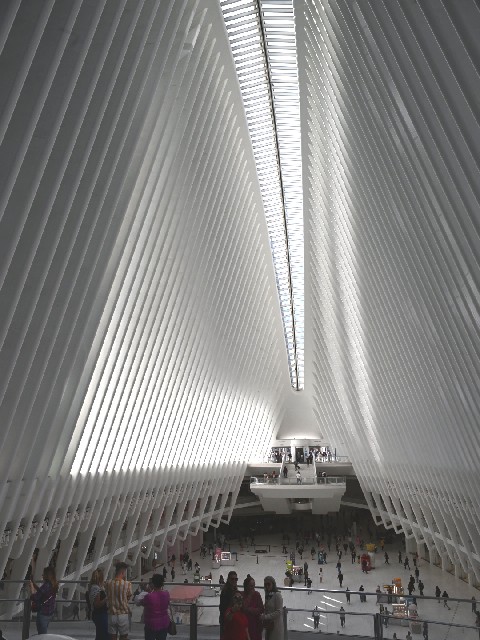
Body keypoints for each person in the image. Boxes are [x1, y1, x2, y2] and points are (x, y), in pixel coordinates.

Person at [137, 574, 170, 640]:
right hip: (164, 623)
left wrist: (145, 590)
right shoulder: (166, 594)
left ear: (153, 584)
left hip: (151, 624)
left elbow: (140, 603)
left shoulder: (148, 597)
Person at [105, 562, 132, 640]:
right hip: (123, 614)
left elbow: (107, 595)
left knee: (112, 637)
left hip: (111, 614)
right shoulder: (127, 584)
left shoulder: (107, 583)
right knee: (124, 637)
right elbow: (128, 598)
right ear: (122, 572)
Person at [30, 566, 58, 634]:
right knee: (43, 632)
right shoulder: (54, 584)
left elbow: (35, 597)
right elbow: (42, 592)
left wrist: (32, 589)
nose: (42, 575)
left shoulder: (46, 585)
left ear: (48, 575)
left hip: (43, 613)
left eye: (44, 574)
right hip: (49, 612)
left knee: (42, 634)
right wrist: (34, 584)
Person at [261, 576, 283, 640]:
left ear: (273, 584)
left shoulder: (277, 595)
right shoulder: (268, 594)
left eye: (269, 584)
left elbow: (279, 612)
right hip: (269, 625)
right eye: (265, 584)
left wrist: (265, 617)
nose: (267, 586)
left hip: (276, 626)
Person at [242, 575, 263, 640]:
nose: (253, 587)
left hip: (256, 625)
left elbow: (261, 609)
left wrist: (249, 610)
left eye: (254, 585)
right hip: (245, 625)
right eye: (251, 586)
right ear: (246, 586)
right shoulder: (241, 595)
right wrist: (250, 596)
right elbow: (243, 609)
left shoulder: (257, 594)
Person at [89, 568, 108, 640]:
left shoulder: (96, 587)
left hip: (100, 614)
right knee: (103, 635)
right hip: (100, 615)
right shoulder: (96, 588)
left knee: (101, 634)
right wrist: (106, 598)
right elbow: (97, 604)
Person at [219, 570, 238, 637]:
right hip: (226, 619)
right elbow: (222, 608)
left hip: (232, 619)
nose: (234, 580)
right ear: (228, 579)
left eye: (236, 579)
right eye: (232, 579)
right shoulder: (225, 591)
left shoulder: (235, 590)